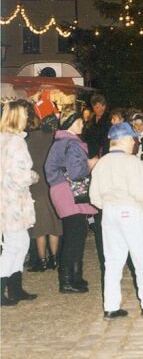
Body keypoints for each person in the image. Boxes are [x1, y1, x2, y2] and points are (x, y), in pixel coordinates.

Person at [89, 122, 143, 319]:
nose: (134, 142)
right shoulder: (132, 162)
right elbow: (141, 193)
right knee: (141, 259)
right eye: (132, 139)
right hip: (131, 211)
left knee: (112, 261)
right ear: (121, 140)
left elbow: (94, 197)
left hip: (109, 213)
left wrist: (109, 206)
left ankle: (111, 306)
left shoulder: (101, 163)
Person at [44, 108, 98, 293]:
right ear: (70, 123)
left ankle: (75, 277)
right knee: (75, 235)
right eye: (79, 121)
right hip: (69, 192)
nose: (83, 123)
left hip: (63, 191)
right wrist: (90, 164)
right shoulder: (71, 143)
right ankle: (67, 281)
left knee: (76, 233)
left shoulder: (62, 141)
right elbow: (76, 172)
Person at [0, 101, 39, 306]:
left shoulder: (3, 139)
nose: (27, 117)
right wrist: (33, 176)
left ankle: (15, 287)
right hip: (13, 200)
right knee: (14, 245)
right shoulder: (16, 142)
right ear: (16, 117)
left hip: (7, 199)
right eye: (24, 114)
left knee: (21, 242)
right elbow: (21, 175)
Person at [26, 112, 62, 271]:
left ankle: (42, 261)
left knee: (39, 227)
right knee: (54, 224)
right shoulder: (51, 138)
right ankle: (55, 259)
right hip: (51, 186)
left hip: (35, 187)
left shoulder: (26, 141)